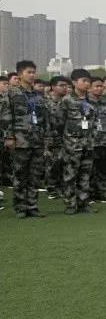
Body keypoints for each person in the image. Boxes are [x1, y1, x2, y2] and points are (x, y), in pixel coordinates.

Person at [4, 60, 49, 218]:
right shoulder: (11, 93)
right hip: (20, 140)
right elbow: (6, 116)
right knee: (20, 175)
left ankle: (32, 206)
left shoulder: (38, 96)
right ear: (19, 74)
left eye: (33, 72)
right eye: (28, 72)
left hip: (36, 140)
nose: (32, 75)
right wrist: (9, 137)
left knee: (35, 176)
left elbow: (43, 118)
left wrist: (45, 139)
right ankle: (20, 207)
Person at [58, 68, 98, 215]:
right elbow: (58, 122)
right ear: (74, 82)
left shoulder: (92, 100)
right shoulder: (67, 100)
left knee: (85, 175)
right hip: (72, 145)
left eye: (88, 81)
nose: (87, 84)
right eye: (84, 81)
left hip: (88, 143)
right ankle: (70, 204)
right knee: (70, 175)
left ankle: (83, 203)